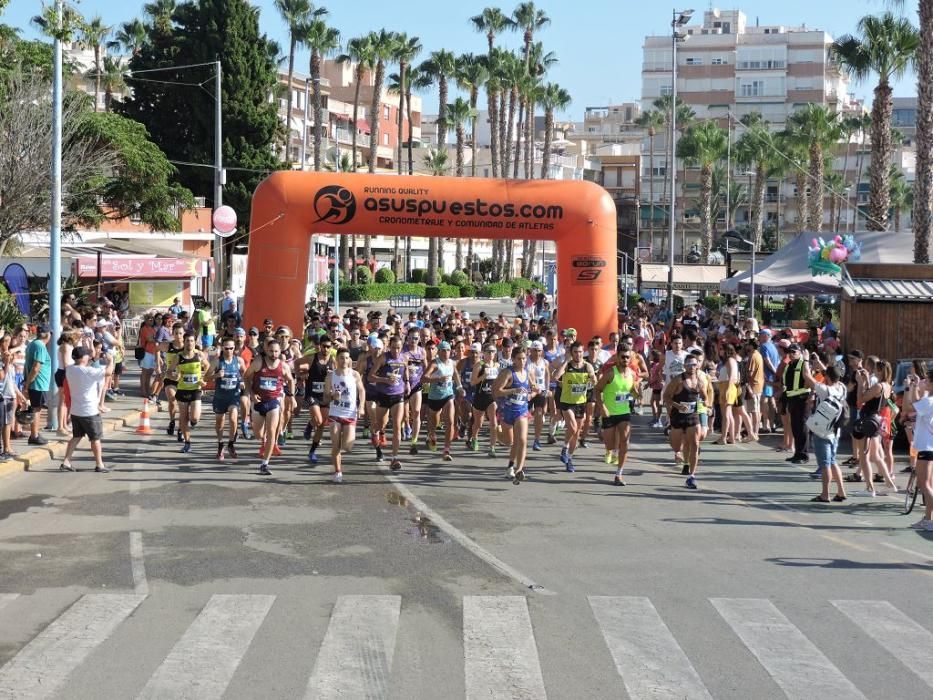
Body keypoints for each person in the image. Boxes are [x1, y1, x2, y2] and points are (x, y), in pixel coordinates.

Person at [245, 339, 295, 475]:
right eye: (271, 351)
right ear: (266, 350)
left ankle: (265, 464)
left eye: (276, 351)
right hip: (258, 402)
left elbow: (290, 380)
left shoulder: (283, 366)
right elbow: (246, 377)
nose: (274, 354)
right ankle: (264, 440)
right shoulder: (258, 362)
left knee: (272, 431)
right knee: (258, 434)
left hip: (273, 401)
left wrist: (291, 396)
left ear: (280, 352)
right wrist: (252, 393)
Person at [802, 358, 848, 503]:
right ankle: (841, 491)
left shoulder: (824, 390)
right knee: (833, 461)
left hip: (822, 430)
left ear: (827, 377)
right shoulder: (842, 388)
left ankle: (825, 494)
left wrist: (805, 360)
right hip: (835, 430)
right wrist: (824, 368)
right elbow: (830, 374)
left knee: (824, 464)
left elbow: (807, 377)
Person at [60, 347, 113, 473]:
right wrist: (111, 361)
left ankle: (66, 461)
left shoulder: (70, 370)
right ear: (83, 358)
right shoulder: (87, 371)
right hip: (89, 411)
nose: (88, 357)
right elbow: (108, 372)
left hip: (76, 410)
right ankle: (99, 465)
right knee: (95, 438)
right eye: (87, 356)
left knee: (76, 436)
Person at [594, 346, 637, 485]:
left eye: (627, 357)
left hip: (624, 413)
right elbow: (597, 390)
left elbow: (634, 393)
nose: (625, 359)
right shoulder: (610, 373)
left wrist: (638, 392)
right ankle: (601, 431)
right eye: (623, 356)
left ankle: (619, 474)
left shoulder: (632, 374)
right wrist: (602, 407)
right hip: (609, 413)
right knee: (610, 445)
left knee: (625, 442)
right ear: (617, 357)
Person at [553, 342, 597, 474]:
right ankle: (564, 448)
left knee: (576, 434)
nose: (578, 355)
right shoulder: (567, 365)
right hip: (567, 402)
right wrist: (566, 361)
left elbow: (594, 379)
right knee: (572, 427)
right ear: (571, 353)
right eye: (575, 352)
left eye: (580, 352)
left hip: (580, 402)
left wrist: (593, 379)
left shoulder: (587, 366)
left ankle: (569, 459)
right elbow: (556, 376)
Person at [493, 345, 534, 484]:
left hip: (522, 411)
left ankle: (518, 469)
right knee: (509, 442)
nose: (522, 361)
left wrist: (533, 393)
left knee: (522, 440)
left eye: (524, 358)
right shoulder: (507, 373)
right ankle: (497, 434)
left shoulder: (528, 373)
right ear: (513, 359)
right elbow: (496, 391)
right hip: (506, 410)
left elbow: (533, 388)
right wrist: (513, 390)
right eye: (519, 359)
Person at [663, 355, 705, 489]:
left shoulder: (699, 380)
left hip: (693, 416)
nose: (691, 367)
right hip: (678, 416)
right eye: (688, 365)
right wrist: (677, 406)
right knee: (676, 447)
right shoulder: (678, 380)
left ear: (697, 365)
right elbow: (666, 396)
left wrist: (707, 405)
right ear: (684, 366)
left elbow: (705, 394)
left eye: (693, 365)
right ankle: (678, 451)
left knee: (695, 444)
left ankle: (691, 476)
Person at [325, 347, 365, 483]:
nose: (344, 360)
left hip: (350, 414)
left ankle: (341, 441)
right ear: (337, 359)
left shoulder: (354, 374)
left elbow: (362, 391)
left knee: (347, 446)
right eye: (341, 357)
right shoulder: (331, 375)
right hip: (335, 413)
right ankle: (338, 471)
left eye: (347, 358)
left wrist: (361, 406)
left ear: (350, 360)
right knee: (335, 445)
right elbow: (325, 396)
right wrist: (332, 395)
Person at [370, 334, 409, 468]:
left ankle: (394, 458)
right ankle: (375, 434)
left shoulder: (404, 357)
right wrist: (385, 380)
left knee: (397, 426)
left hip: (398, 395)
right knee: (379, 425)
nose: (396, 351)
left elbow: (406, 370)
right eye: (393, 348)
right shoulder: (383, 358)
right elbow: (371, 377)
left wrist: (407, 383)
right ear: (389, 347)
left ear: (401, 347)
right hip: (383, 395)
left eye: (398, 348)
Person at [205, 339, 246, 461]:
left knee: (233, 419)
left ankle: (231, 444)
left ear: (235, 349)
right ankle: (220, 444)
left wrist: (243, 381)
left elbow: (246, 373)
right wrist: (216, 376)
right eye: (226, 348)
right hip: (220, 397)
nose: (229, 351)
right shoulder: (217, 362)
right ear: (222, 348)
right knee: (219, 422)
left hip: (233, 396)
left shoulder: (238, 361)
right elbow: (206, 377)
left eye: (231, 348)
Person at [423, 340, 461, 463]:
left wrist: (459, 387)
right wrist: (438, 378)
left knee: (450, 422)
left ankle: (446, 449)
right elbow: (423, 378)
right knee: (433, 423)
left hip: (448, 395)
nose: (446, 353)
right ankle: (431, 435)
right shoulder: (434, 363)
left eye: (448, 350)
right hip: (434, 397)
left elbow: (455, 373)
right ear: (438, 352)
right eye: (443, 350)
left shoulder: (452, 363)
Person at [905, 367, 933, 530]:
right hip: (928, 447)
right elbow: (916, 403)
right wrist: (918, 387)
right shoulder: (928, 400)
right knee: (928, 484)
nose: (925, 381)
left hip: (927, 448)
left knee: (924, 485)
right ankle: (928, 519)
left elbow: (910, 407)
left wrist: (912, 386)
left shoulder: (929, 402)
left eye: (928, 380)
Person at [175, 333, 209, 454]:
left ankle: (192, 422)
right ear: (184, 342)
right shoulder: (179, 356)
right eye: (188, 341)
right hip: (183, 389)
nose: (190, 343)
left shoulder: (199, 354)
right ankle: (187, 443)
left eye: (192, 341)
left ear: (194, 342)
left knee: (194, 417)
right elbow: (169, 371)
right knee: (183, 418)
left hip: (195, 389)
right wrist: (174, 375)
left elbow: (208, 367)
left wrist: (204, 379)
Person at [781, 344, 811, 464]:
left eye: (794, 352)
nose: (791, 354)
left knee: (803, 428)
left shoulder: (804, 363)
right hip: (792, 399)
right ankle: (797, 453)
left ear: (800, 352)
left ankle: (804, 455)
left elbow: (808, 378)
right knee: (795, 427)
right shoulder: (789, 365)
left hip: (803, 399)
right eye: (789, 352)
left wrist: (807, 360)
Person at [469, 345, 501, 457]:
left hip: (492, 398)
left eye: (493, 351)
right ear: (484, 353)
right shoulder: (479, 365)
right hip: (480, 397)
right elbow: (472, 382)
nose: (491, 354)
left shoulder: (497, 365)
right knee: (478, 423)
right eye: (489, 352)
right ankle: (474, 438)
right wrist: (483, 377)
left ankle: (492, 447)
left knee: (493, 422)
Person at [24, 324, 52, 446]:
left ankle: (35, 433)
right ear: (47, 334)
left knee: (37, 408)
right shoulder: (40, 346)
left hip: (38, 384)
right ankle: (34, 435)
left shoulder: (34, 344)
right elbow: (36, 367)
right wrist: (27, 384)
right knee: (36, 409)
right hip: (38, 384)